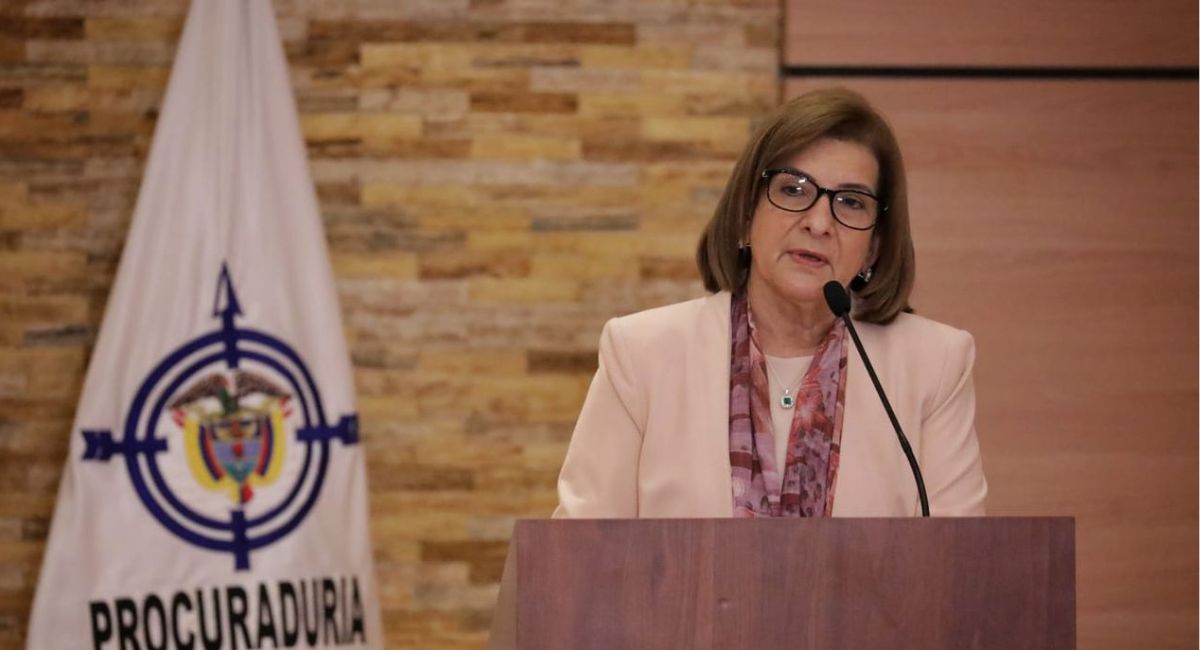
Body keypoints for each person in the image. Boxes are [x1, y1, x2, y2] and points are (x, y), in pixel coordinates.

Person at [553, 87, 986, 518]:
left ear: (874, 245)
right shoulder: (643, 353)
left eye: (851, 202)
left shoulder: (934, 364)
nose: (819, 223)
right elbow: (584, 547)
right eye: (794, 190)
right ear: (746, 215)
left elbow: (958, 554)